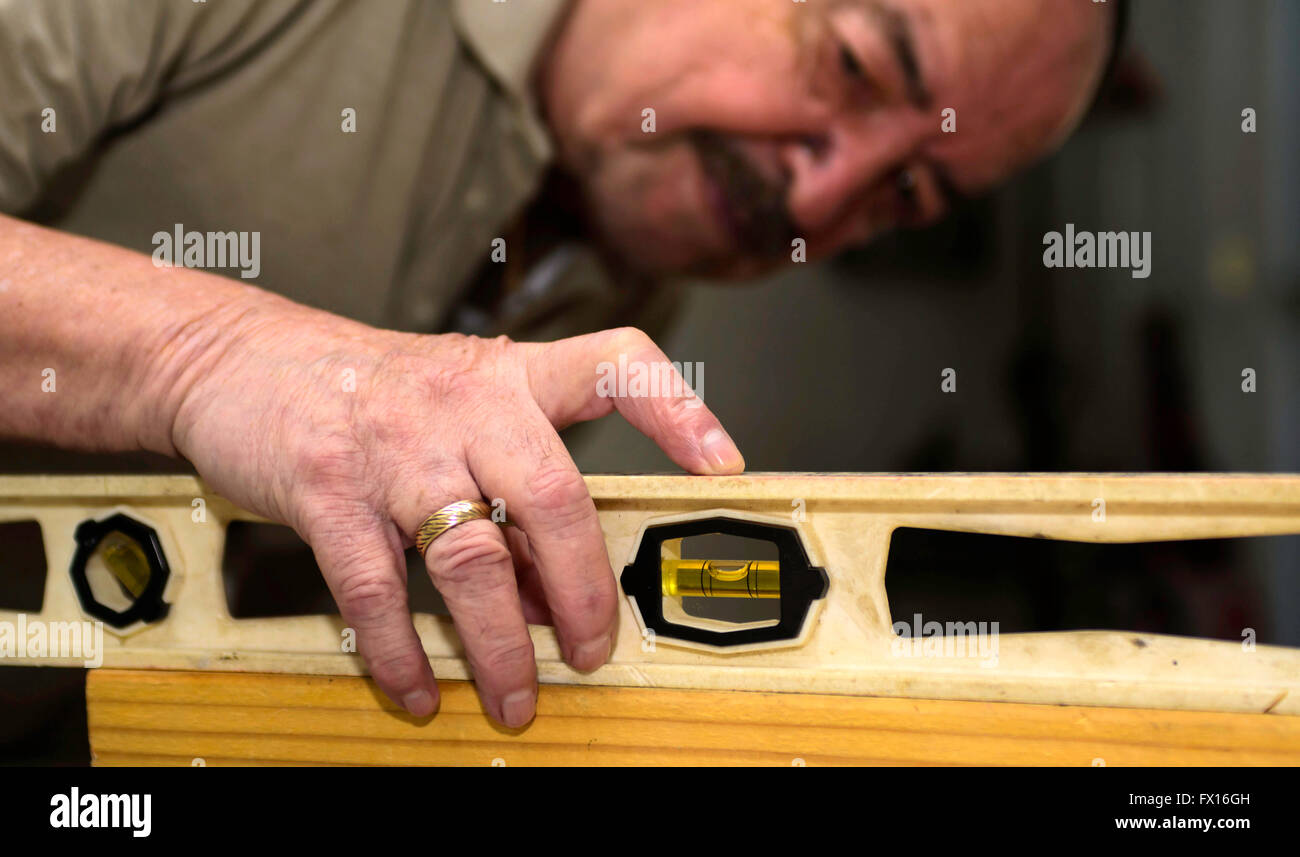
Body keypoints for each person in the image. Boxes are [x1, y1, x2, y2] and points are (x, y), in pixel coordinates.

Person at [0, 0, 1120, 727]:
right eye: (855, 65)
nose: (819, 198)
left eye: (903, 193)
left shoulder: (628, 274)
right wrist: (210, 359)